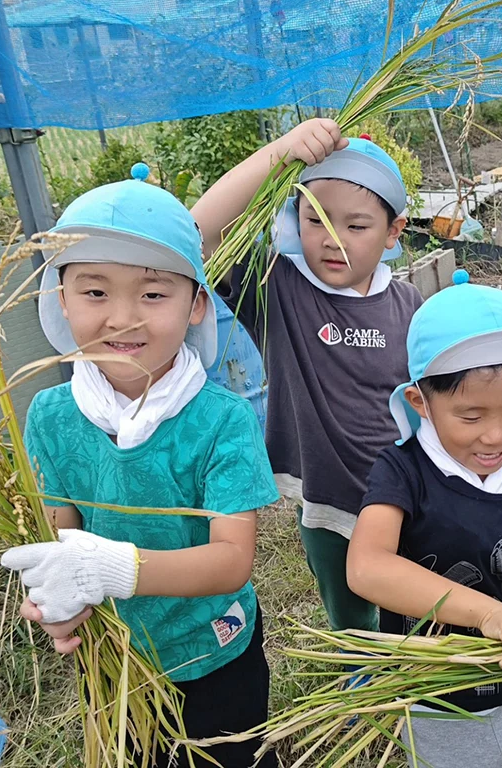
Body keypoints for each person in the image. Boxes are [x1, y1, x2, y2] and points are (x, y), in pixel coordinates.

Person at [0, 165, 279, 768]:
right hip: (117, 658)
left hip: (213, 649)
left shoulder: (221, 420)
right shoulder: (51, 415)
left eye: (153, 294)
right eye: (95, 292)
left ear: (197, 305)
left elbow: (231, 560)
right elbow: (60, 534)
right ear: (61, 300)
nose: (122, 316)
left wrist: (110, 569)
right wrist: (61, 600)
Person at [346, 270, 502, 768]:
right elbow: (367, 568)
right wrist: (490, 615)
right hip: (435, 700)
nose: (496, 436)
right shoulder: (403, 471)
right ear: (421, 402)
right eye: (471, 416)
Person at [193, 120, 423, 632]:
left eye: (356, 226)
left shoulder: (409, 303)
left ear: (393, 232)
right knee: (349, 610)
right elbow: (200, 233)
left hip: (403, 492)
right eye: (316, 220)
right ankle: (360, 662)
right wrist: (281, 153)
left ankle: (408, 660)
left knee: (407, 601)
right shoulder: (278, 288)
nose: (333, 240)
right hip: (326, 497)